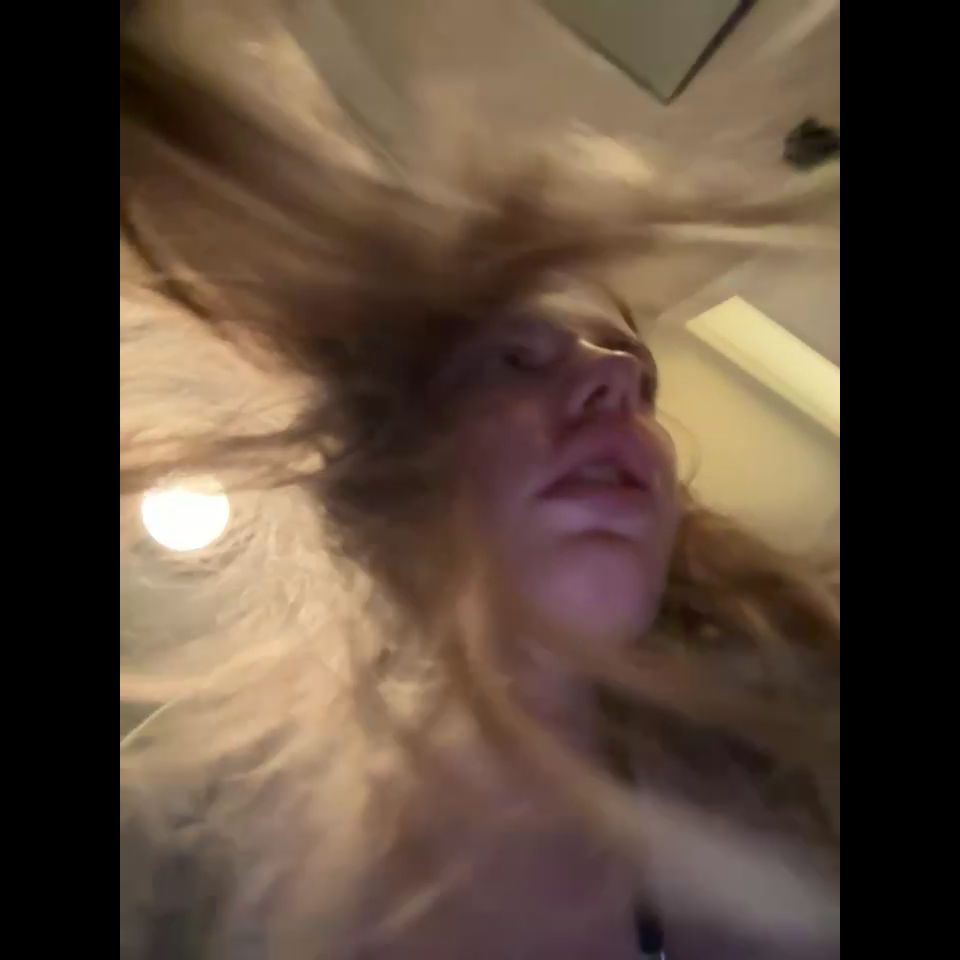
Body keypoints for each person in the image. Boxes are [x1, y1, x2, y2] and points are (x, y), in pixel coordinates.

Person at [120, 3, 840, 958]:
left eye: (639, 383)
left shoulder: (781, 787)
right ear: (385, 471)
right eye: (517, 358)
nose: (619, 380)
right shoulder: (175, 846)